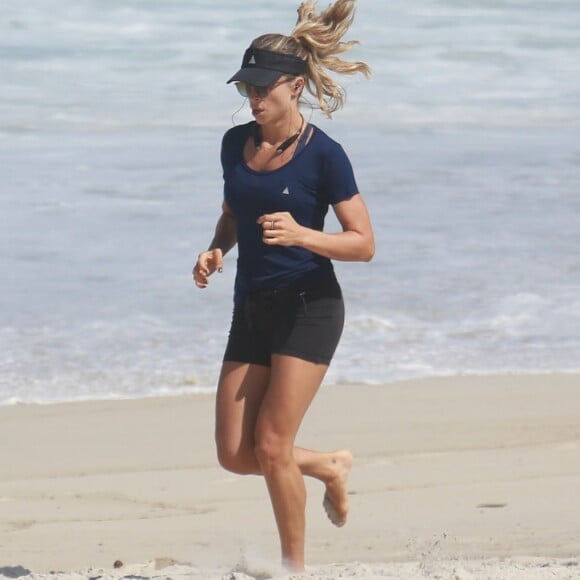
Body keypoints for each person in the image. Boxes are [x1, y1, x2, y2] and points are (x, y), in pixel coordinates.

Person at [192, 0, 374, 572]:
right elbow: (233, 214)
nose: (253, 97)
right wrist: (218, 248)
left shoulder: (325, 155)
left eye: (263, 87)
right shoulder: (234, 145)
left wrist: (303, 235)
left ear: (295, 87)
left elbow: (362, 243)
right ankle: (327, 465)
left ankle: (293, 569)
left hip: (308, 306)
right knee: (234, 454)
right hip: (252, 306)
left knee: (271, 447)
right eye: (247, 86)